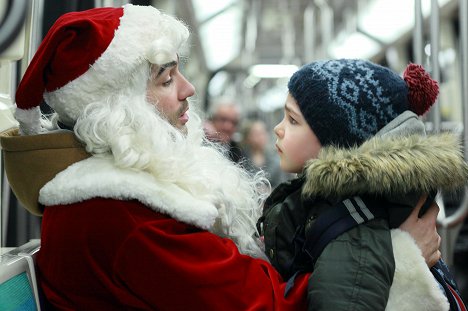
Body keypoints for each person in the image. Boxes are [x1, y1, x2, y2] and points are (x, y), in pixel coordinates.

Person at [0, 5, 443, 310]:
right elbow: (275, 306)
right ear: (119, 105)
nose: (189, 90)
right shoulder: (125, 219)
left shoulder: (114, 195)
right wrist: (400, 255)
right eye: (167, 79)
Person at [259, 59, 468, 310]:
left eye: (292, 120)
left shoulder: (353, 227)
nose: (278, 129)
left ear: (338, 143)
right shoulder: (340, 205)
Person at [240, 119, 290, 188]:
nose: (261, 137)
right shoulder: (241, 160)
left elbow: (282, 186)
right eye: (256, 134)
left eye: (263, 133)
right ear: (248, 137)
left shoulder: (276, 161)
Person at [205, 98, 245, 163]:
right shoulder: (199, 143)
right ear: (212, 120)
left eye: (233, 122)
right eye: (223, 119)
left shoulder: (238, 153)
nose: (228, 127)